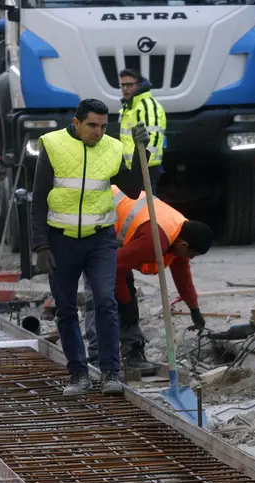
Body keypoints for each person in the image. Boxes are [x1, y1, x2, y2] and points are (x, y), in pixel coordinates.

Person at [31, 98, 149, 397]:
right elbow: (38, 198)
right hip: (62, 241)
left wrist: (140, 152)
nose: (98, 132)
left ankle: (111, 372)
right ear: (77, 123)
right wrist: (41, 245)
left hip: (100, 240)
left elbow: (135, 189)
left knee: (106, 301)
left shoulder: (111, 148)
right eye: (92, 125)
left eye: (102, 126)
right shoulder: (54, 145)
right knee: (67, 308)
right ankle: (78, 374)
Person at [84, 186, 213, 375]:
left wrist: (194, 309)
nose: (190, 259)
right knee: (101, 296)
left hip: (118, 237)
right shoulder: (156, 240)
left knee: (126, 296)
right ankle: (98, 357)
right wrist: (126, 302)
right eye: (192, 254)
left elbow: (182, 275)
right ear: (184, 245)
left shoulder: (179, 231)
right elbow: (115, 267)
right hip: (93, 222)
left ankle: (132, 352)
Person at [118, 69, 166, 194]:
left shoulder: (147, 106)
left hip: (146, 167)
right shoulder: (130, 107)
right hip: (133, 167)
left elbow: (153, 138)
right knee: (136, 206)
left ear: (139, 85)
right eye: (123, 85)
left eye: (129, 85)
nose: (125, 89)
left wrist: (142, 165)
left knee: (145, 207)